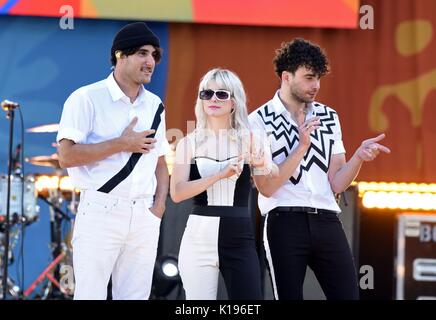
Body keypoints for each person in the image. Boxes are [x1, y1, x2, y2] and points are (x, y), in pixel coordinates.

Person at [249, 38, 390, 300]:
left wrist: (358, 157)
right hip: (283, 220)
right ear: (286, 76)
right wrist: (301, 147)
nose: (316, 86)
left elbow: (336, 184)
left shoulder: (328, 116)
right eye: (309, 77)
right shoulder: (257, 121)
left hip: (327, 219)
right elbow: (266, 187)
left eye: (319, 78)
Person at [56, 22, 170, 300]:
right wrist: (122, 143)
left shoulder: (155, 104)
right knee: (90, 295)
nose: (150, 61)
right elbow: (66, 156)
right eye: (143, 53)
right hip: (100, 211)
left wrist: (159, 207)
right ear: (120, 54)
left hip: (144, 214)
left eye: (154, 55)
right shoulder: (86, 98)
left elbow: (160, 160)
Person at [170, 68, 277, 300]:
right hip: (197, 237)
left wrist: (262, 162)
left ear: (234, 101)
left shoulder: (251, 139)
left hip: (239, 236)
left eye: (221, 94)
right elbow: (177, 193)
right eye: (207, 94)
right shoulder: (187, 143)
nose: (213, 99)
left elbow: (268, 183)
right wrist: (220, 174)